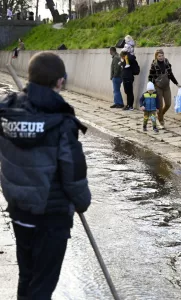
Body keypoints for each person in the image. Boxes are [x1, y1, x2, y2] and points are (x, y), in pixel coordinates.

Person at [0, 52, 91, 299]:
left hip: (20, 213)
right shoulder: (62, 122)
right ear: (60, 82)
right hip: (51, 218)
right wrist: (82, 202)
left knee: (27, 277)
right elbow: (74, 172)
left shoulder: (8, 113)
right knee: (42, 286)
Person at [148, 49, 181, 129]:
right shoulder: (154, 65)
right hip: (157, 87)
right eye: (159, 56)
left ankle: (160, 114)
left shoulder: (167, 63)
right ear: (156, 56)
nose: (161, 57)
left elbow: (170, 75)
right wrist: (150, 88)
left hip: (166, 87)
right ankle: (161, 121)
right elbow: (150, 77)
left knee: (168, 104)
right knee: (160, 105)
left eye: (162, 55)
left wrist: (177, 83)